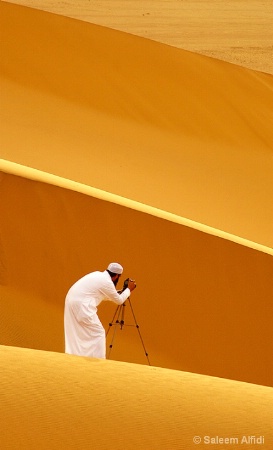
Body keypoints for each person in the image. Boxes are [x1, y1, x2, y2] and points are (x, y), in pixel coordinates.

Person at [64, 262, 136, 358]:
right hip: (83, 306)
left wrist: (119, 292)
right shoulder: (107, 282)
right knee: (99, 333)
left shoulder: (98, 275)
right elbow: (119, 300)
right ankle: (99, 361)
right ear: (117, 276)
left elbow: (103, 294)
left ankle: (77, 356)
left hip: (71, 302)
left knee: (78, 331)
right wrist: (129, 290)